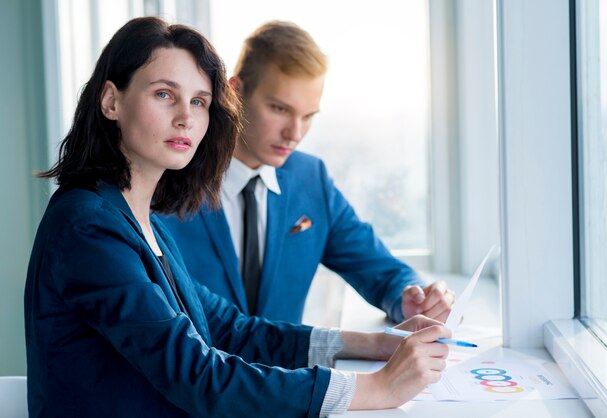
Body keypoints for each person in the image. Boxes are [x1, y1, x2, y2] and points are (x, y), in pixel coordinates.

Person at [24, 16, 451, 417]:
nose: (185, 117)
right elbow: (197, 374)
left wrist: (375, 344)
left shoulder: (139, 219)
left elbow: (231, 329)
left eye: (199, 101)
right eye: (163, 95)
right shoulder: (89, 226)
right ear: (111, 101)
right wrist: (376, 389)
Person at [160, 21, 456, 324]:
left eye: (308, 116)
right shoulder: (166, 180)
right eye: (280, 109)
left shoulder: (310, 179)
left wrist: (415, 296)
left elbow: (381, 270)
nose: (295, 133)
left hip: (289, 371)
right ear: (234, 93)